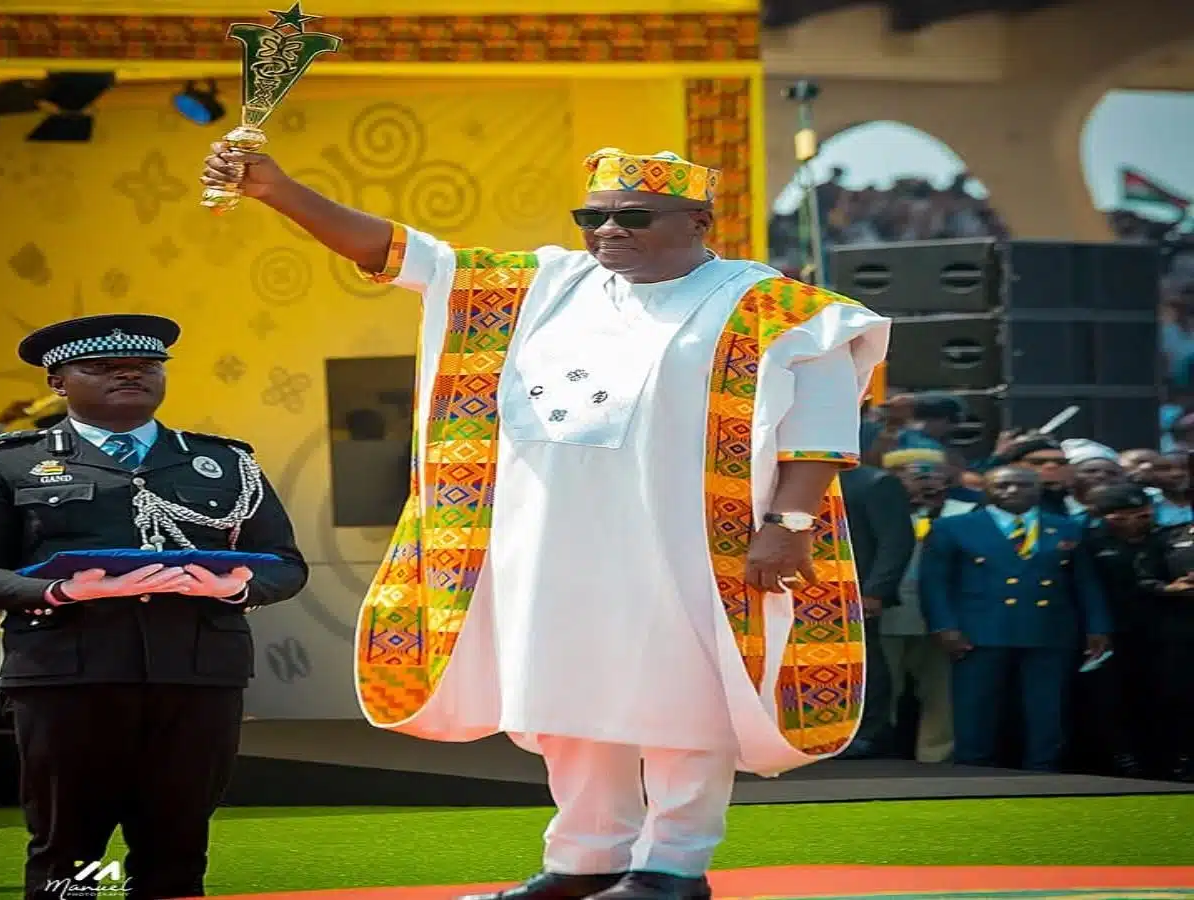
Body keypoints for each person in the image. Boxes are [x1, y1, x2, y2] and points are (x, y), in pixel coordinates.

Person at [201, 145, 889, 899]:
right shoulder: (538, 285)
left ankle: (673, 867)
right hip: (547, 541)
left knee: (681, 700)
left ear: (699, 220)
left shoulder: (770, 305)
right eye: (592, 217)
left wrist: (788, 520)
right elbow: (395, 250)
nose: (608, 231)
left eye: (633, 216)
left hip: (689, 542)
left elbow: (820, 423)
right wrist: (279, 189)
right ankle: (584, 862)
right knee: (565, 698)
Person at [0, 314, 309, 900]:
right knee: (70, 851)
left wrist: (233, 588)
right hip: (68, 678)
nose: (128, 374)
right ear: (59, 382)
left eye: (144, 366)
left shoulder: (220, 461)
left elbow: (285, 564)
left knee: (176, 844)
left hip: (195, 678)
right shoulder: (10, 463)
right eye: (103, 368)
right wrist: (58, 591)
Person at [918, 466, 1110, 771]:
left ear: (1038, 490)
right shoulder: (953, 527)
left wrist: (1098, 626)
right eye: (1003, 485)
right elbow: (935, 583)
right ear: (987, 490)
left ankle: (1044, 767)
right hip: (979, 629)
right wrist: (944, 626)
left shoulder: (1065, 527)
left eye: (1022, 485)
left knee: (1046, 706)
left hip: (1049, 627)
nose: (1012, 491)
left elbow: (1085, 582)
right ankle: (973, 766)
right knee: (975, 704)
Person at [881, 449, 974, 763]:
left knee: (941, 693)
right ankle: (882, 753)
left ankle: (937, 757)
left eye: (937, 474)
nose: (929, 482)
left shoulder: (966, 512)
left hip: (947, 618)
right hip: (891, 615)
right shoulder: (880, 509)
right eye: (919, 475)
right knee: (885, 689)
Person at [1075, 483, 1158, 778]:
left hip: (1160, 634)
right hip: (1106, 632)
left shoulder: (1165, 538)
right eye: (1121, 517)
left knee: (1159, 696)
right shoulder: (1089, 542)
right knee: (1107, 699)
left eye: (1142, 514)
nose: (1134, 522)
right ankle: (1116, 758)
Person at [836, 460, 916, 758]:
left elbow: (895, 540)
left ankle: (867, 732)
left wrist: (875, 592)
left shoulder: (873, 482)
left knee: (864, 661)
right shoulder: (780, 479)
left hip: (854, 591)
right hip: (798, 591)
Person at [1135, 514, 1194, 782]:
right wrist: (1169, 588)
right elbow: (1144, 578)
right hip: (1180, 635)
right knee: (1179, 700)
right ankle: (1180, 762)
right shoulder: (1169, 536)